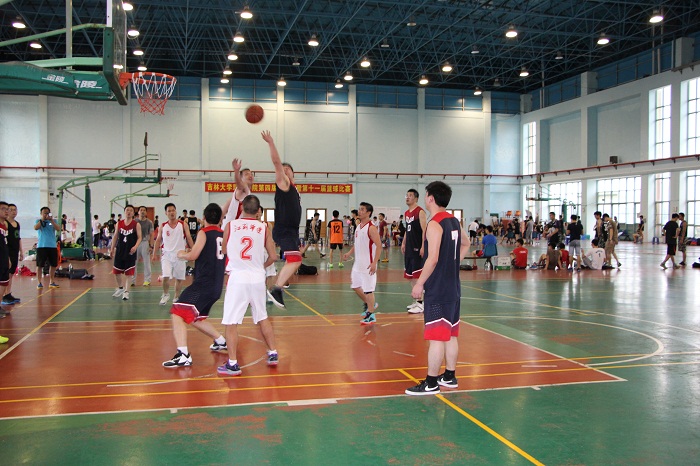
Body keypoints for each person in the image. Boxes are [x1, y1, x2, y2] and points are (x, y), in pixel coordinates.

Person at [405, 181, 469, 396]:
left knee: (437, 337)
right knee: (451, 334)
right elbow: (466, 244)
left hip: (439, 288)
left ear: (430, 198)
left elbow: (432, 259)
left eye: (425, 195)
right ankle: (449, 376)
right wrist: (453, 263)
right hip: (453, 287)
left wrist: (420, 283)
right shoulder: (454, 220)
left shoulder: (435, 223)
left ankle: (431, 382)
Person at [217, 195, 280, 376]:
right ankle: (273, 352)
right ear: (258, 210)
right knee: (262, 317)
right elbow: (273, 256)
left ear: (242, 207)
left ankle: (233, 363)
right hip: (257, 277)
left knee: (231, 322)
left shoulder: (231, 225)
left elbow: (224, 250)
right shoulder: (264, 227)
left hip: (238, 277)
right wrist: (260, 266)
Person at [162, 203, 228, 368]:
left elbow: (193, 255)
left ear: (203, 218)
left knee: (177, 312)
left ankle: (183, 355)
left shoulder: (204, 232)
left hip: (203, 284)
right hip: (216, 286)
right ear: (220, 219)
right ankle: (220, 341)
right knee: (194, 317)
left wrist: (182, 254)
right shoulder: (224, 234)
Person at [262, 130, 303, 309]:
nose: (284, 170)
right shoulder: (283, 184)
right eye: (282, 169)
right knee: (295, 260)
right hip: (284, 229)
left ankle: (279, 286)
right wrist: (271, 142)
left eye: (288, 169)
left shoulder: (294, 189)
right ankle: (277, 288)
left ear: (294, 173)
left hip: (291, 231)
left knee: (296, 260)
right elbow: (276, 162)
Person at [342, 202, 381, 325]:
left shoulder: (371, 228)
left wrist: (374, 262)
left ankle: (371, 315)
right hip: (357, 264)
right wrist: (349, 253)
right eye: (359, 209)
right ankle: (371, 305)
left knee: (368, 290)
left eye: (362, 209)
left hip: (368, 265)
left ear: (368, 213)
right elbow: (357, 243)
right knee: (355, 286)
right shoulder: (358, 226)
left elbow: (379, 246)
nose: (359, 211)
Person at [153, 203, 194, 305]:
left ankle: (176, 297)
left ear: (176, 211)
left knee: (179, 278)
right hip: (166, 255)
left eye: (173, 210)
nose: (171, 212)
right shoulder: (163, 226)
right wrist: (154, 254)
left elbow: (189, 238)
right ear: (166, 213)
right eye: (169, 211)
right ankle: (165, 294)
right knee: (166, 276)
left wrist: (194, 251)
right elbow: (158, 240)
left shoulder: (183, 224)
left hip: (180, 255)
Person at [402, 189, 427, 313]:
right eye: (407, 195)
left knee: (417, 276)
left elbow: (424, 230)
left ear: (416, 198)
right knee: (411, 276)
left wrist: (423, 246)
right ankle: (416, 300)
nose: (407, 197)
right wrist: (403, 242)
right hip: (409, 248)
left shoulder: (420, 212)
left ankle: (421, 303)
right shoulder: (407, 213)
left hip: (417, 248)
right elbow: (407, 230)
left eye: (410, 195)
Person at [110, 205, 142, 301]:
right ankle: (120, 288)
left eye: (131, 210)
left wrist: (135, 246)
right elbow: (115, 236)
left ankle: (127, 292)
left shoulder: (136, 224)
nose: (129, 212)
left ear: (133, 213)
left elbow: (140, 237)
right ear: (124, 212)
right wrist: (112, 248)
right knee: (116, 272)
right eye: (127, 210)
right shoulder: (119, 223)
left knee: (129, 273)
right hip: (120, 250)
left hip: (130, 251)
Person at [34, 206, 61, 289]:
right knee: (40, 265)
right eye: (44, 213)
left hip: (52, 246)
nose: (46, 214)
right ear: (41, 214)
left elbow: (58, 229)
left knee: (53, 264)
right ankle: (39, 282)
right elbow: (36, 228)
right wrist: (42, 219)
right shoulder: (38, 221)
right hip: (41, 246)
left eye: (47, 213)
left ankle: (51, 281)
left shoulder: (53, 221)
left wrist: (51, 220)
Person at [222, 158, 253, 226]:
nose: (250, 176)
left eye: (251, 174)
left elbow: (223, 212)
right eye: (246, 174)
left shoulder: (235, 197)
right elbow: (239, 184)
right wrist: (236, 172)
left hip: (236, 227)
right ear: (241, 178)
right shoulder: (242, 189)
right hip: (231, 228)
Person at [2, 204, 23, 305]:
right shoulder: (5, 224)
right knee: (6, 274)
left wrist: (21, 251)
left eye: (15, 210)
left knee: (11, 274)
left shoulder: (17, 224)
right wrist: (7, 256)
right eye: (11, 210)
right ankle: (4, 295)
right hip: (7, 252)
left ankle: (8, 293)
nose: (13, 212)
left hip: (15, 252)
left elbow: (18, 238)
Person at [131, 206, 154, 287]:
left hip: (145, 243)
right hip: (135, 243)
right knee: (133, 262)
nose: (142, 211)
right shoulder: (134, 222)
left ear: (146, 212)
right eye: (141, 210)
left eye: (144, 210)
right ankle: (132, 280)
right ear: (138, 212)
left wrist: (151, 246)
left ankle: (147, 280)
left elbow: (151, 234)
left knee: (146, 262)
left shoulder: (149, 222)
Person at [0, 201, 13, 321]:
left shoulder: (5, 226)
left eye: (7, 209)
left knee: (4, 282)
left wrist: (8, 258)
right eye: (3, 209)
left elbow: (5, 244)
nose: (6, 211)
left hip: (3, 258)